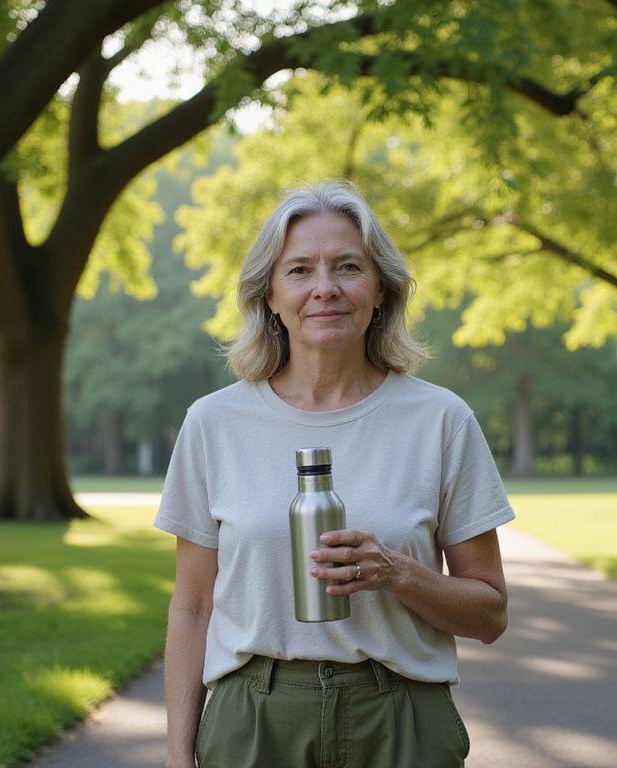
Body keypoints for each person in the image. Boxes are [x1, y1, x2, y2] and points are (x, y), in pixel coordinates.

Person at [156, 181, 515, 768]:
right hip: (253, 721)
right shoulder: (214, 423)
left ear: (380, 291)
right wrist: (177, 753)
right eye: (299, 270)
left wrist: (398, 573)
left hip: (402, 721)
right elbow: (192, 606)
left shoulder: (440, 419)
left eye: (348, 267)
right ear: (269, 294)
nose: (325, 288)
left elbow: (491, 614)